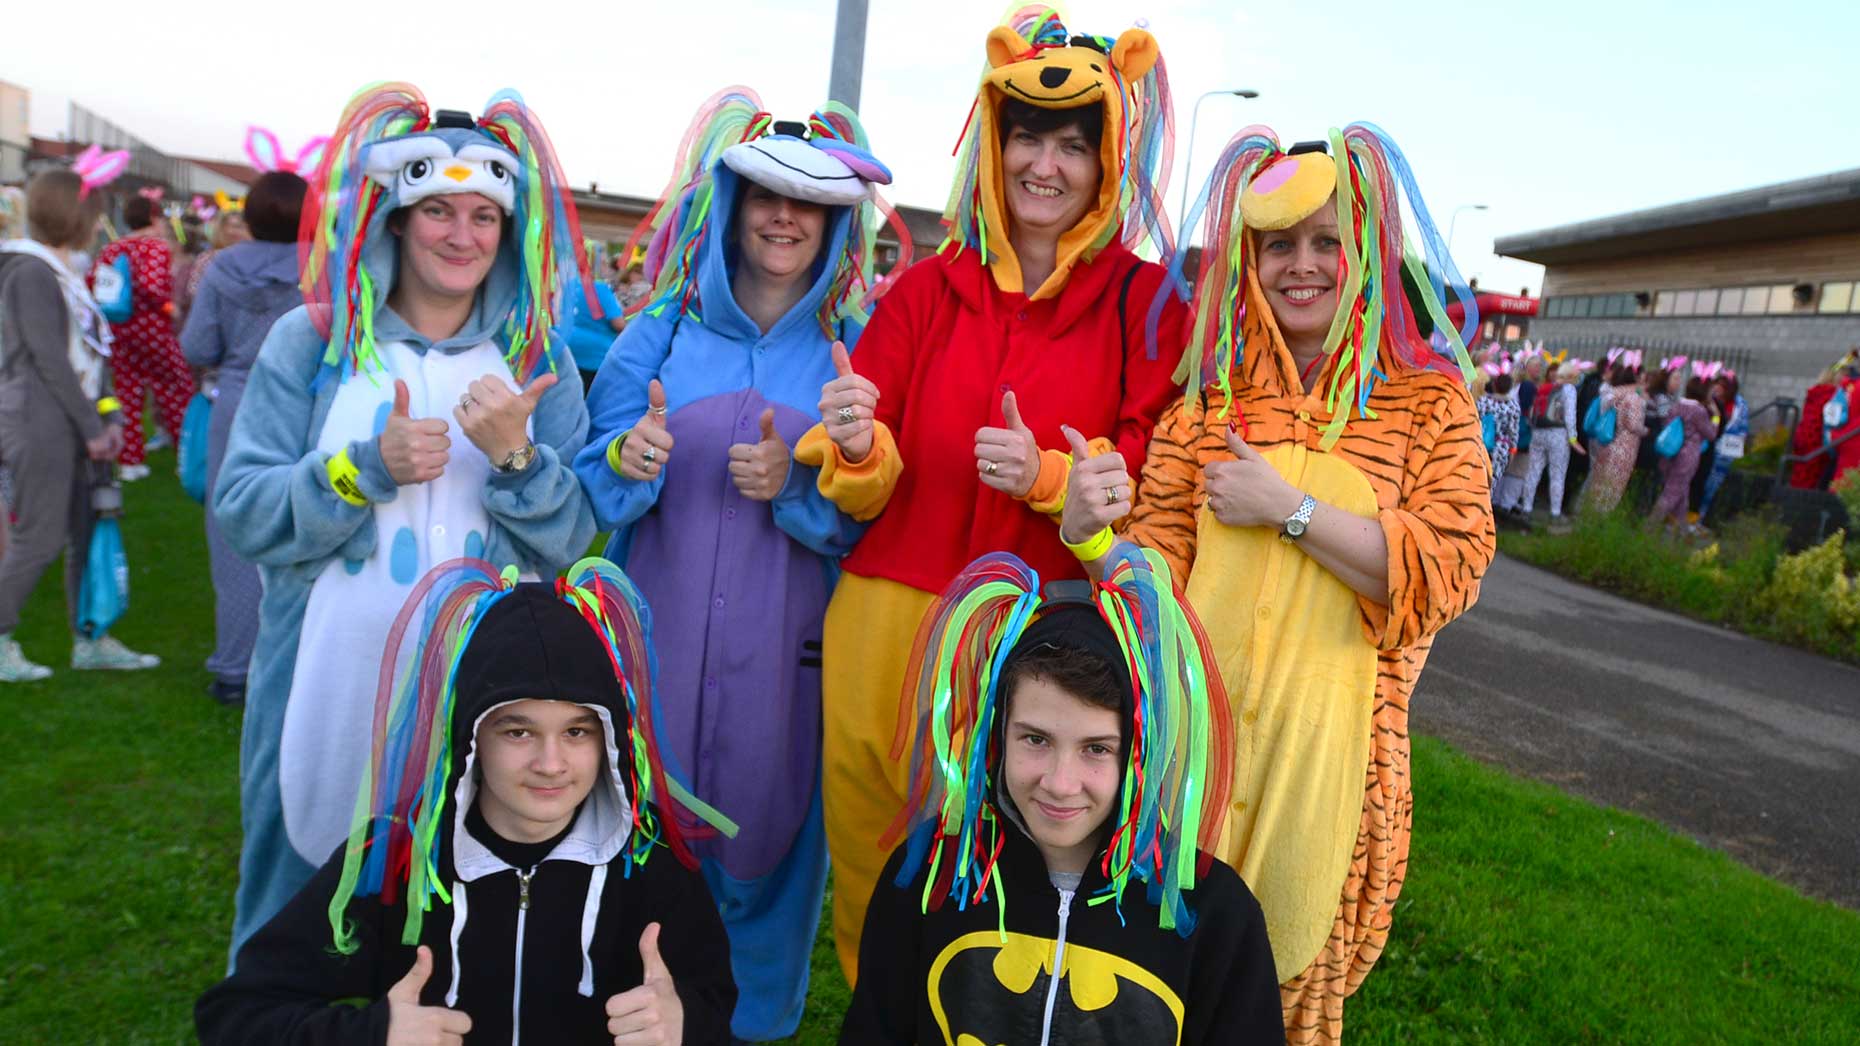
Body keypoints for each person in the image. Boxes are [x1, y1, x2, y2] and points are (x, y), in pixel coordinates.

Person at [1060, 125, 1496, 1042]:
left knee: (1283, 1006)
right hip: (1188, 773)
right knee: (1148, 995)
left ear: (1368, 253)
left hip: (1333, 773)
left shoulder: (1430, 403)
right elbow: (1156, 597)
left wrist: (1289, 509)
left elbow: (1451, 567)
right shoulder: (1206, 404)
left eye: (1327, 241)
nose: (1302, 266)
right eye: (1278, 244)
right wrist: (1095, 540)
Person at [800, 10, 1185, 980]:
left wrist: (1051, 478)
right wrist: (855, 441)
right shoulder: (927, 289)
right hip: (884, 614)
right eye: (1026, 135)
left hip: (1041, 630)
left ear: (1111, 164)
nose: (1044, 164)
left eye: (1072, 143)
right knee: (872, 850)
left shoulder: (1147, 303)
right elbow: (868, 461)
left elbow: (1156, 458)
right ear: (994, 141)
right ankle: (876, 1008)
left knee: (1002, 860)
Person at [213, 85, 599, 957]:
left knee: (463, 914)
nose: (462, 236)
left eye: (482, 215)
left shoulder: (541, 360)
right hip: (323, 677)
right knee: (296, 903)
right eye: (436, 211)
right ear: (393, 218)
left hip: (484, 685)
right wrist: (359, 473)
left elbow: (573, 537)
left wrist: (517, 460)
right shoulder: (310, 345)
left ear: (509, 230)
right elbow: (244, 510)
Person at [573, 92, 900, 1042]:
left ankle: (753, 1026)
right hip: (653, 658)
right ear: (731, 205)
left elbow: (873, 519)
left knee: (766, 856)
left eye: (808, 206)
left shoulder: (854, 353)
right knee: (641, 852)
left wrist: (794, 491)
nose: (784, 219)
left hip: (786, 666)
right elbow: (596, 487)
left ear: (837, 223)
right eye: (764, 197)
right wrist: (630, 462)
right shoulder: (659, 335)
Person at [196, 560, 738, 1044]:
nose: (551, 763)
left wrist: (686, 1024)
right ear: (470, 739)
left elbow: (716, 1008)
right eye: (518, 732)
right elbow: (235, 1014)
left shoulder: (650, 867)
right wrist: (372, 1034)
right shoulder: (393, 865)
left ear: (611, 738)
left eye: (576, 732)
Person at [840, 549, 1282, 1044]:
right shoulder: (932, 879)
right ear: (996, 736)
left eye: (1096, 748)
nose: (1060, 782)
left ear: (1137, 754)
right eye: (1036, 739)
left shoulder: (1214, 915)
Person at [0, 168, 161, 679]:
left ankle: (90, 638)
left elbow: (92, 356)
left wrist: (108, 416)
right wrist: (94, 428)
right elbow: (50, 358)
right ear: (75, 214)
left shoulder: (62, 271)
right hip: (39, 421)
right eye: (94, 214)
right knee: (40, 538)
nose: (99, 224)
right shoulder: (30, 271)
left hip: (71, 419)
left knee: (88, 530)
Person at [180, 171, 308, 707]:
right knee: (306, 530)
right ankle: (298, 664)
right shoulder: (320, 271)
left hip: (237, 403)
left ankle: (234, 667)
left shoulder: (222, 267)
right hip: (306, 405)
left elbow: (197, 345)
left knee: (233, 532)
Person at [89, 193, 195, 480]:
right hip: (152, 329)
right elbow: (152, 286)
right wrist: (168, 307)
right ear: (154, 218)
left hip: (118, 330)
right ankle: (186, 457)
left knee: (127, 392)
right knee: (176, 389)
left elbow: (94, 282)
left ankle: (130, 461)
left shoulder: (111, 249)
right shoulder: (156, 247)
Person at [1515, 359, 1585, 530]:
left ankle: (1526, 508)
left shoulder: (1546, 387)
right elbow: (1570, 415)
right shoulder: (1568, 390)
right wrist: (1573, 439)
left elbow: (1533, 411)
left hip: (1538, 433)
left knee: (1533, 471)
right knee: (1557, 474)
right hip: (1558, 435)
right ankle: (1554, 512)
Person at [1579, 353, 1648, 514]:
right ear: (1636, 378)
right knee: (1613, 483)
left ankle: (1586, 513)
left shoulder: (1612, 393)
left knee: (1599, 479)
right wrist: (1646, 431)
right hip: (1624, 445)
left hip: (1606, 439)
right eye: (1643, 377)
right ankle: (1600, 517)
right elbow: (1633, 424)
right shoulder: (1633, 398)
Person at [1651, 375, 1716, 535]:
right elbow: (1711, 434)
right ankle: (1649, 528)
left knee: (1681, 493)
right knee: (1672, 493)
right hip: (1687, 456)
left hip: (1670, 452)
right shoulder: (1699, 411)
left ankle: (1682, 531)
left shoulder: (1676, 405)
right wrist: (1716, 416)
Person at [1792, 350, 1860, 489]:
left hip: (1805, 439)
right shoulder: (1833, 394)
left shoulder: (1815, 392)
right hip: (1822, 441)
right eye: (1845, 375)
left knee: (1803, 474)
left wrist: (1848, 357)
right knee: (1820, 477)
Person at [1698, 367, 1748, 520]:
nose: (1718, 389)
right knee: (1699, 482)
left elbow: (1743, 429)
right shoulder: (1709, 401)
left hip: (1725, 454)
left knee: (1712, 487)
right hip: (1706, 448)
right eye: (1716, 385)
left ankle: (1700, 516)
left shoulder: (1740, 406)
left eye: (1722, 386)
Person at [1477, 363, 1520, 489]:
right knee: (1491, 483)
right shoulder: (1513, 406)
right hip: (1500, 447)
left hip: (1480, 444)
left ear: (1494, 385)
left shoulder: (1483, 401)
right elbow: (1513, 431)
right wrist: (1512, 451)